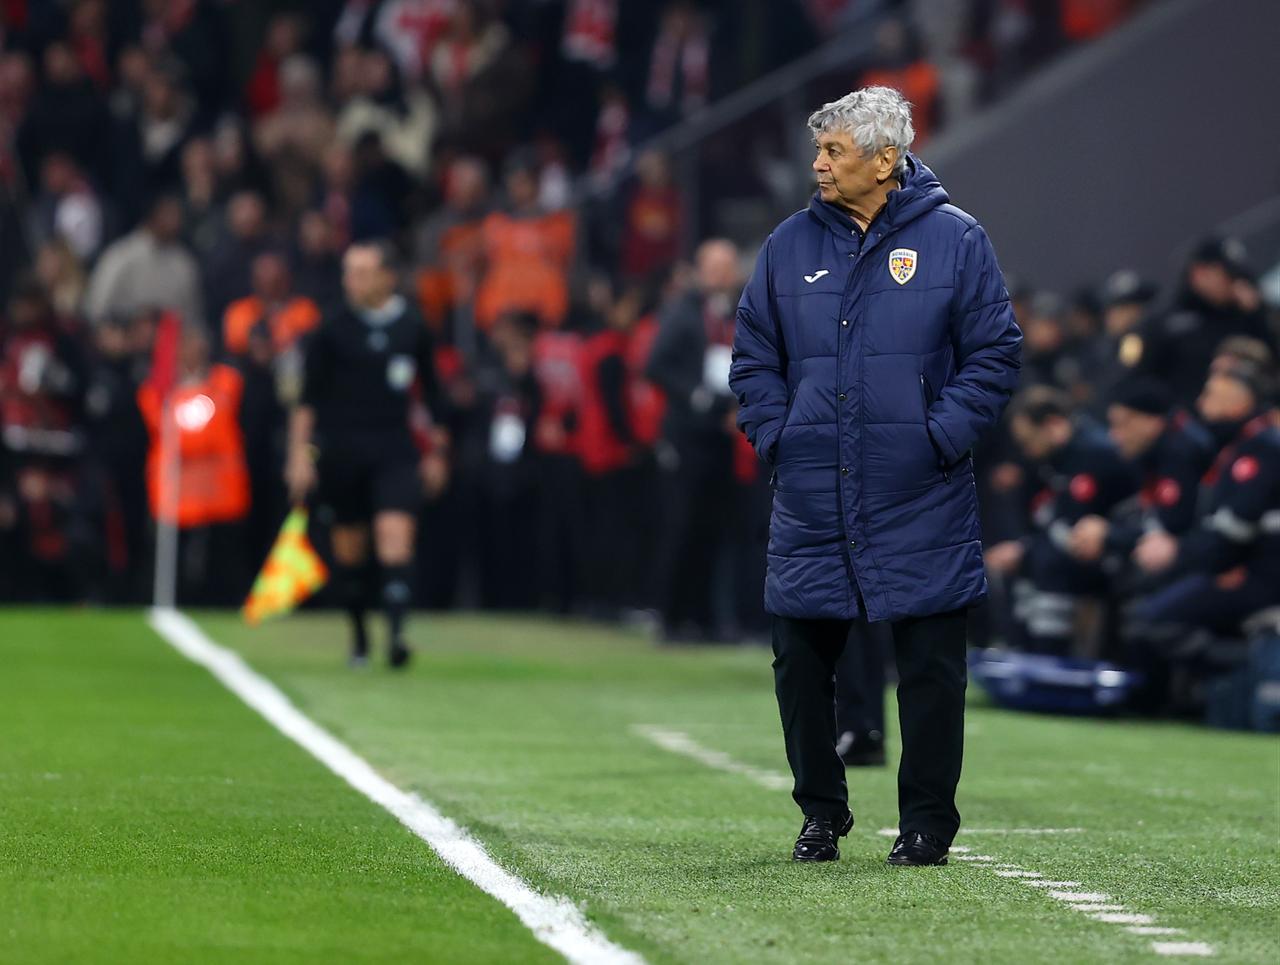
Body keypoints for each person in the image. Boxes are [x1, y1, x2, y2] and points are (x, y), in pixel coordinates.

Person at [729, 87, 1022, 866]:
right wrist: (777, 435)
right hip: (813, 485)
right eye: (819, 150)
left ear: (885, 159)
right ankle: (820, 812)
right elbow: (753, 355)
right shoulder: (788, 245)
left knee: (930, 666)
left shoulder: (958, 239)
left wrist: (940, 435)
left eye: (834, 151)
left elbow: (995, 353)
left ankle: (927, 824)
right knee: (799, 658)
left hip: (919, 487)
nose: (817, 164)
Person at [286, 240, 445, 669]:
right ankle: (359, 636)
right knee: (350, 551)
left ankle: (397, 635)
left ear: (388, 277)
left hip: (394, 450)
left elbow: (434, 396)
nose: (351, 280)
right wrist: (299, 456)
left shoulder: (413, 327)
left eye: (361, 271)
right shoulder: (331, 328)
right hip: (342, 452)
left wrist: (437, 454)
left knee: (395, 538)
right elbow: (308, 400)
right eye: (348, 271)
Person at [647, 239, 743, 642]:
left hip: (720, 435)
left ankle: (704, 618)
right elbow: (655, 365)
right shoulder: (683, 311)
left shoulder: (739, 311)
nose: (721, 275)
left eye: (728, 267)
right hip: (686, 436)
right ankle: (670, 616)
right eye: (715, 266)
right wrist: (695, 397)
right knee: (682, 526)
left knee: (713, 529)